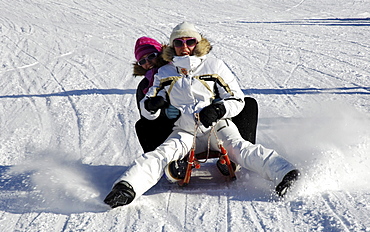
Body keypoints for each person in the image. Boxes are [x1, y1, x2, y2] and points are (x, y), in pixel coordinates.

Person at [104, 22, 299, 208]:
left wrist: (219, 109)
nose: (185, 47)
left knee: (240, 148)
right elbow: (147, 113)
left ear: (197, 43)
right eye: (179, 43)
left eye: (189, 41)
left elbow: (238, 99)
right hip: (185, 131)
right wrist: (153, 105)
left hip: (217, 127)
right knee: (161, 154)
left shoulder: (214, 66)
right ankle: (127, 188)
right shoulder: (164, 72)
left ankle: (285, 173)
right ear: (172, 46)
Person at [133, 37, 179, 153]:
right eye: (142, 61)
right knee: (142, 126)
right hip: (166, 126)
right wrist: (155, 108)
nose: (147, 62)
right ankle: (158, 161)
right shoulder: (144, 86)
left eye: (151, 56)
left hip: (191, 119)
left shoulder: (177, 70)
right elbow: (144, 115)